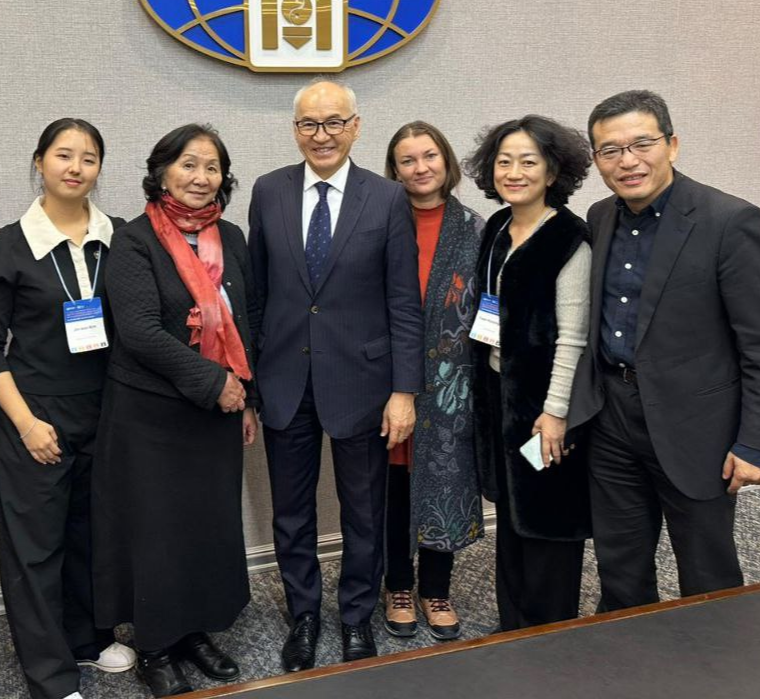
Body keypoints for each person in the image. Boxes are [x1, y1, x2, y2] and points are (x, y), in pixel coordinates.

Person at [569, 90, 760, 610]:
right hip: (613, 417)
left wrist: (758, 441)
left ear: (672, 145)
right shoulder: (600, 216)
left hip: (697, 425)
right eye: (610, 150)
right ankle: (629, 647)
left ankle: (717, 655)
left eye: (641, 144)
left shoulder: (730, 221)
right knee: (620, 562)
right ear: (597, 160)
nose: (627, 161)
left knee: (707, 570)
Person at [248, 81, 424, 670]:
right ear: (295, 129)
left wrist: (404, 390)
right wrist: (251, 383)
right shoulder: (269, 191)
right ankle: (303, 615)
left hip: (363, 382)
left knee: (364, 512)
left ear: (355, 127)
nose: (320, 135)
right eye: (308, 124)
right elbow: (257, 294)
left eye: (333, 123)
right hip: (284, 379)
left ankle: (355, 617)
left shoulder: (388, 198)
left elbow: (404, 302)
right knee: (291, 513)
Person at [0, 119, 135, 699]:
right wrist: (25, 423)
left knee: (93, 534)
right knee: (35, 549)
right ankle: (50, 675)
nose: (75, 167)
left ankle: (88, 639)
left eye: (89, 157)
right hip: (34, 414)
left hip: (106, 410)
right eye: (64, 155)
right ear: (39, 162)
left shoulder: (120, 239)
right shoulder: (10, 246)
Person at [93, 124, 258, 698]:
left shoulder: (230, 236)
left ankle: (193, 631)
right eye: (188, 164)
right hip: (150, 413)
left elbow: (249, 321)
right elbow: (138, 332)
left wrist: (246, 398)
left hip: (217, 412)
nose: (200, 177)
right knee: (157, 534)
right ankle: (155, 646)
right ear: (162, 171)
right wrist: (215, 382)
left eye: (212, 167)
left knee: (206, 528)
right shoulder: (134, 240)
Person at [463, 115, 592, 631]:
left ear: (553, 171)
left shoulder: (568, 239)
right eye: (504, 161)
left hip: (544, 405)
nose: (513, 173)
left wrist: (555, 412)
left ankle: (551, 629)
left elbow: (573, 338)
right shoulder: (498, 226)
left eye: (528, 162)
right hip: (500, 392)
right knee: (513, 514)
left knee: (548, 517)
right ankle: (513, 623)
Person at [381, 122, 484, 641]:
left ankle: (436, 588)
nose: (420, 168)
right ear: (394, 170)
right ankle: (398, 584)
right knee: (393, 486)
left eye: (429, 156)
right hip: (388, 378)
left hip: (452, 385)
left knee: (445, 479)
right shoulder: (379, 221)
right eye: (408, 160)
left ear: (446, 160)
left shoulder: (474, 228)